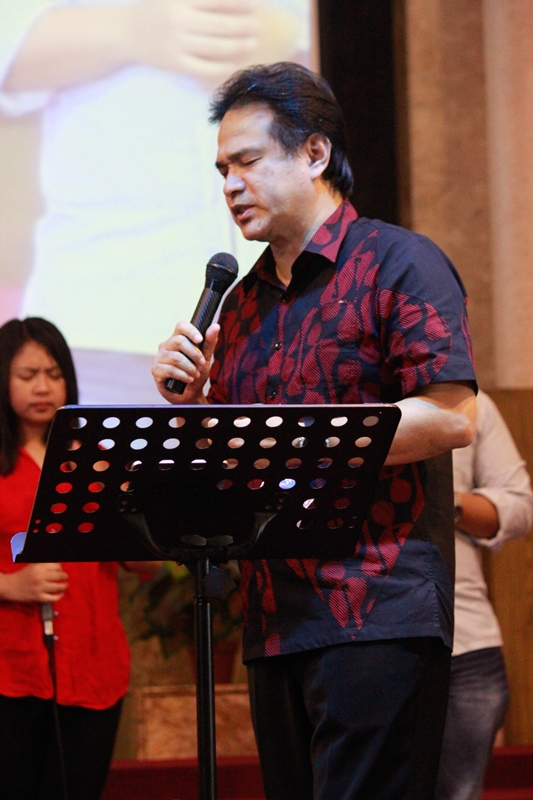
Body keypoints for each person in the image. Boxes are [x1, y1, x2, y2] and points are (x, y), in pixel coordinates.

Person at [152, 62, 478, 799]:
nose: (231, 184)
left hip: (378, 605)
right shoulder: (241, 304)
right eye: (222, 170)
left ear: (314, 153)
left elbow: (450, 417)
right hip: (275, 618)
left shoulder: (398, 262)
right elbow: (233, 467)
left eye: (247, 161)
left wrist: (295, 443)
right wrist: (195, 408)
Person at [0, 0, 311, 404]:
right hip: (102, 314)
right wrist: (129, 28)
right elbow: (11, 48)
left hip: (266, 328)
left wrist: (289, 39)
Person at [0, 316, 158, 800]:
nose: (42, 387)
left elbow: (147, 563)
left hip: (92, 664)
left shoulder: (97, 457)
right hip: (10, 669)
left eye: (54, 374)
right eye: (28, 375)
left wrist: (143, 514)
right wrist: (10, 585)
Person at [434, 389, 533, 800]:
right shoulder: (325, 396)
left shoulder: (468, 403)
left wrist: (444, 501)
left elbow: (519, 506)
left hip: (466, 642)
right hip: (355, 639)